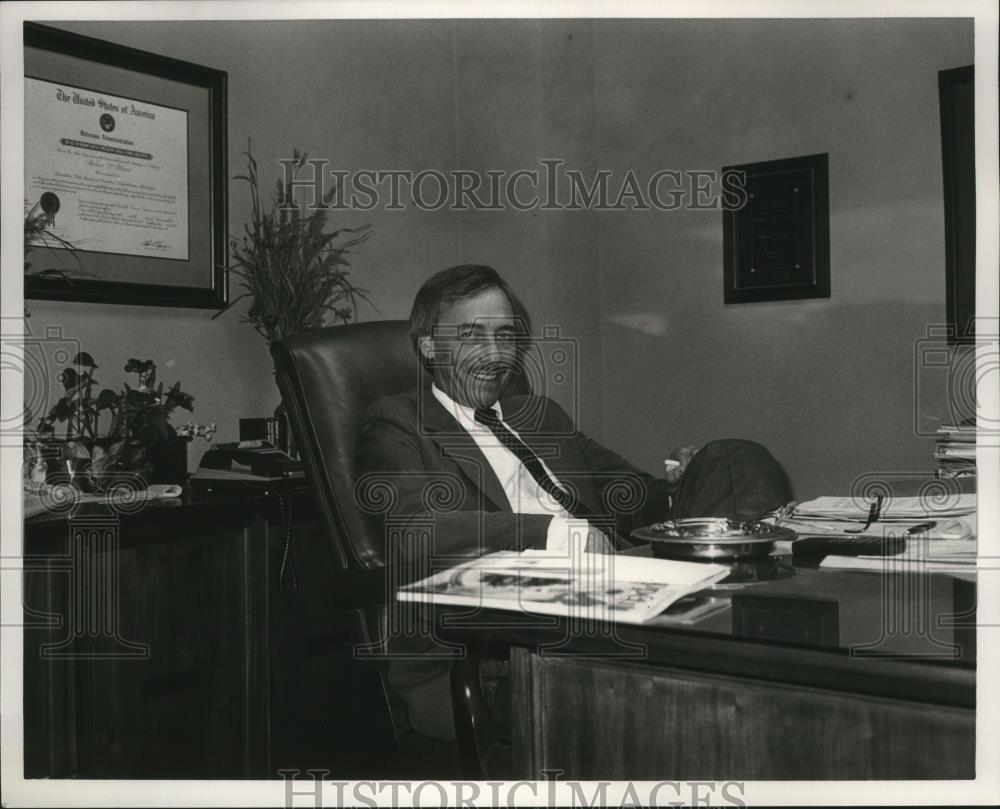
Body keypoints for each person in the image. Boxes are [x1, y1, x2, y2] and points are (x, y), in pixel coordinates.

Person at [356, 264, 790, 741]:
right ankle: (738, 657)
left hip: (620, 587)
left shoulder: (540, 415)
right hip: (509, 641)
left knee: (733, 456)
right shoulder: (399, 423)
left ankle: (745, 640)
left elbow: (629, 492)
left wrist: (676, 485)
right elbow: (415, 528)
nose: (494, 354)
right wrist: (554, 534)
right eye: (471, 335)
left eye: (505, 336)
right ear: (429, 346)